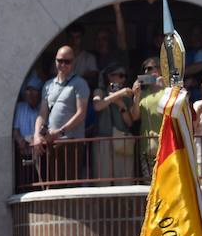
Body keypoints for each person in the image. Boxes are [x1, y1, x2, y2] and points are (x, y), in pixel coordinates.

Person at [34, 44, 89, 183]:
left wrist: (59, 132)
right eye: (60, 61)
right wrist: (36, 136)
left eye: (67, 61)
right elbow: (42, 114)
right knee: (52, 185)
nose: (63, 64)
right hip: (51, 142)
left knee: (70, 185)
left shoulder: (80, 83)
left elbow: (81, 113)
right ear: (55, 61)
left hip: (71, 143)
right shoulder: (48, 85)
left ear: (73, 62)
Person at [92, 64, 138, 183]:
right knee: (103, 180)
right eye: (120, 76)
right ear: (109, 77)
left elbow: (129, 122)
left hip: (122, 139)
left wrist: (121, 105)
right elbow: (97, 106)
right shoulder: (100, 91)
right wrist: (116, 95)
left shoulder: (126, 97)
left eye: (125, 76)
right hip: (103, 139)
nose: (123, 80)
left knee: (124, 180)